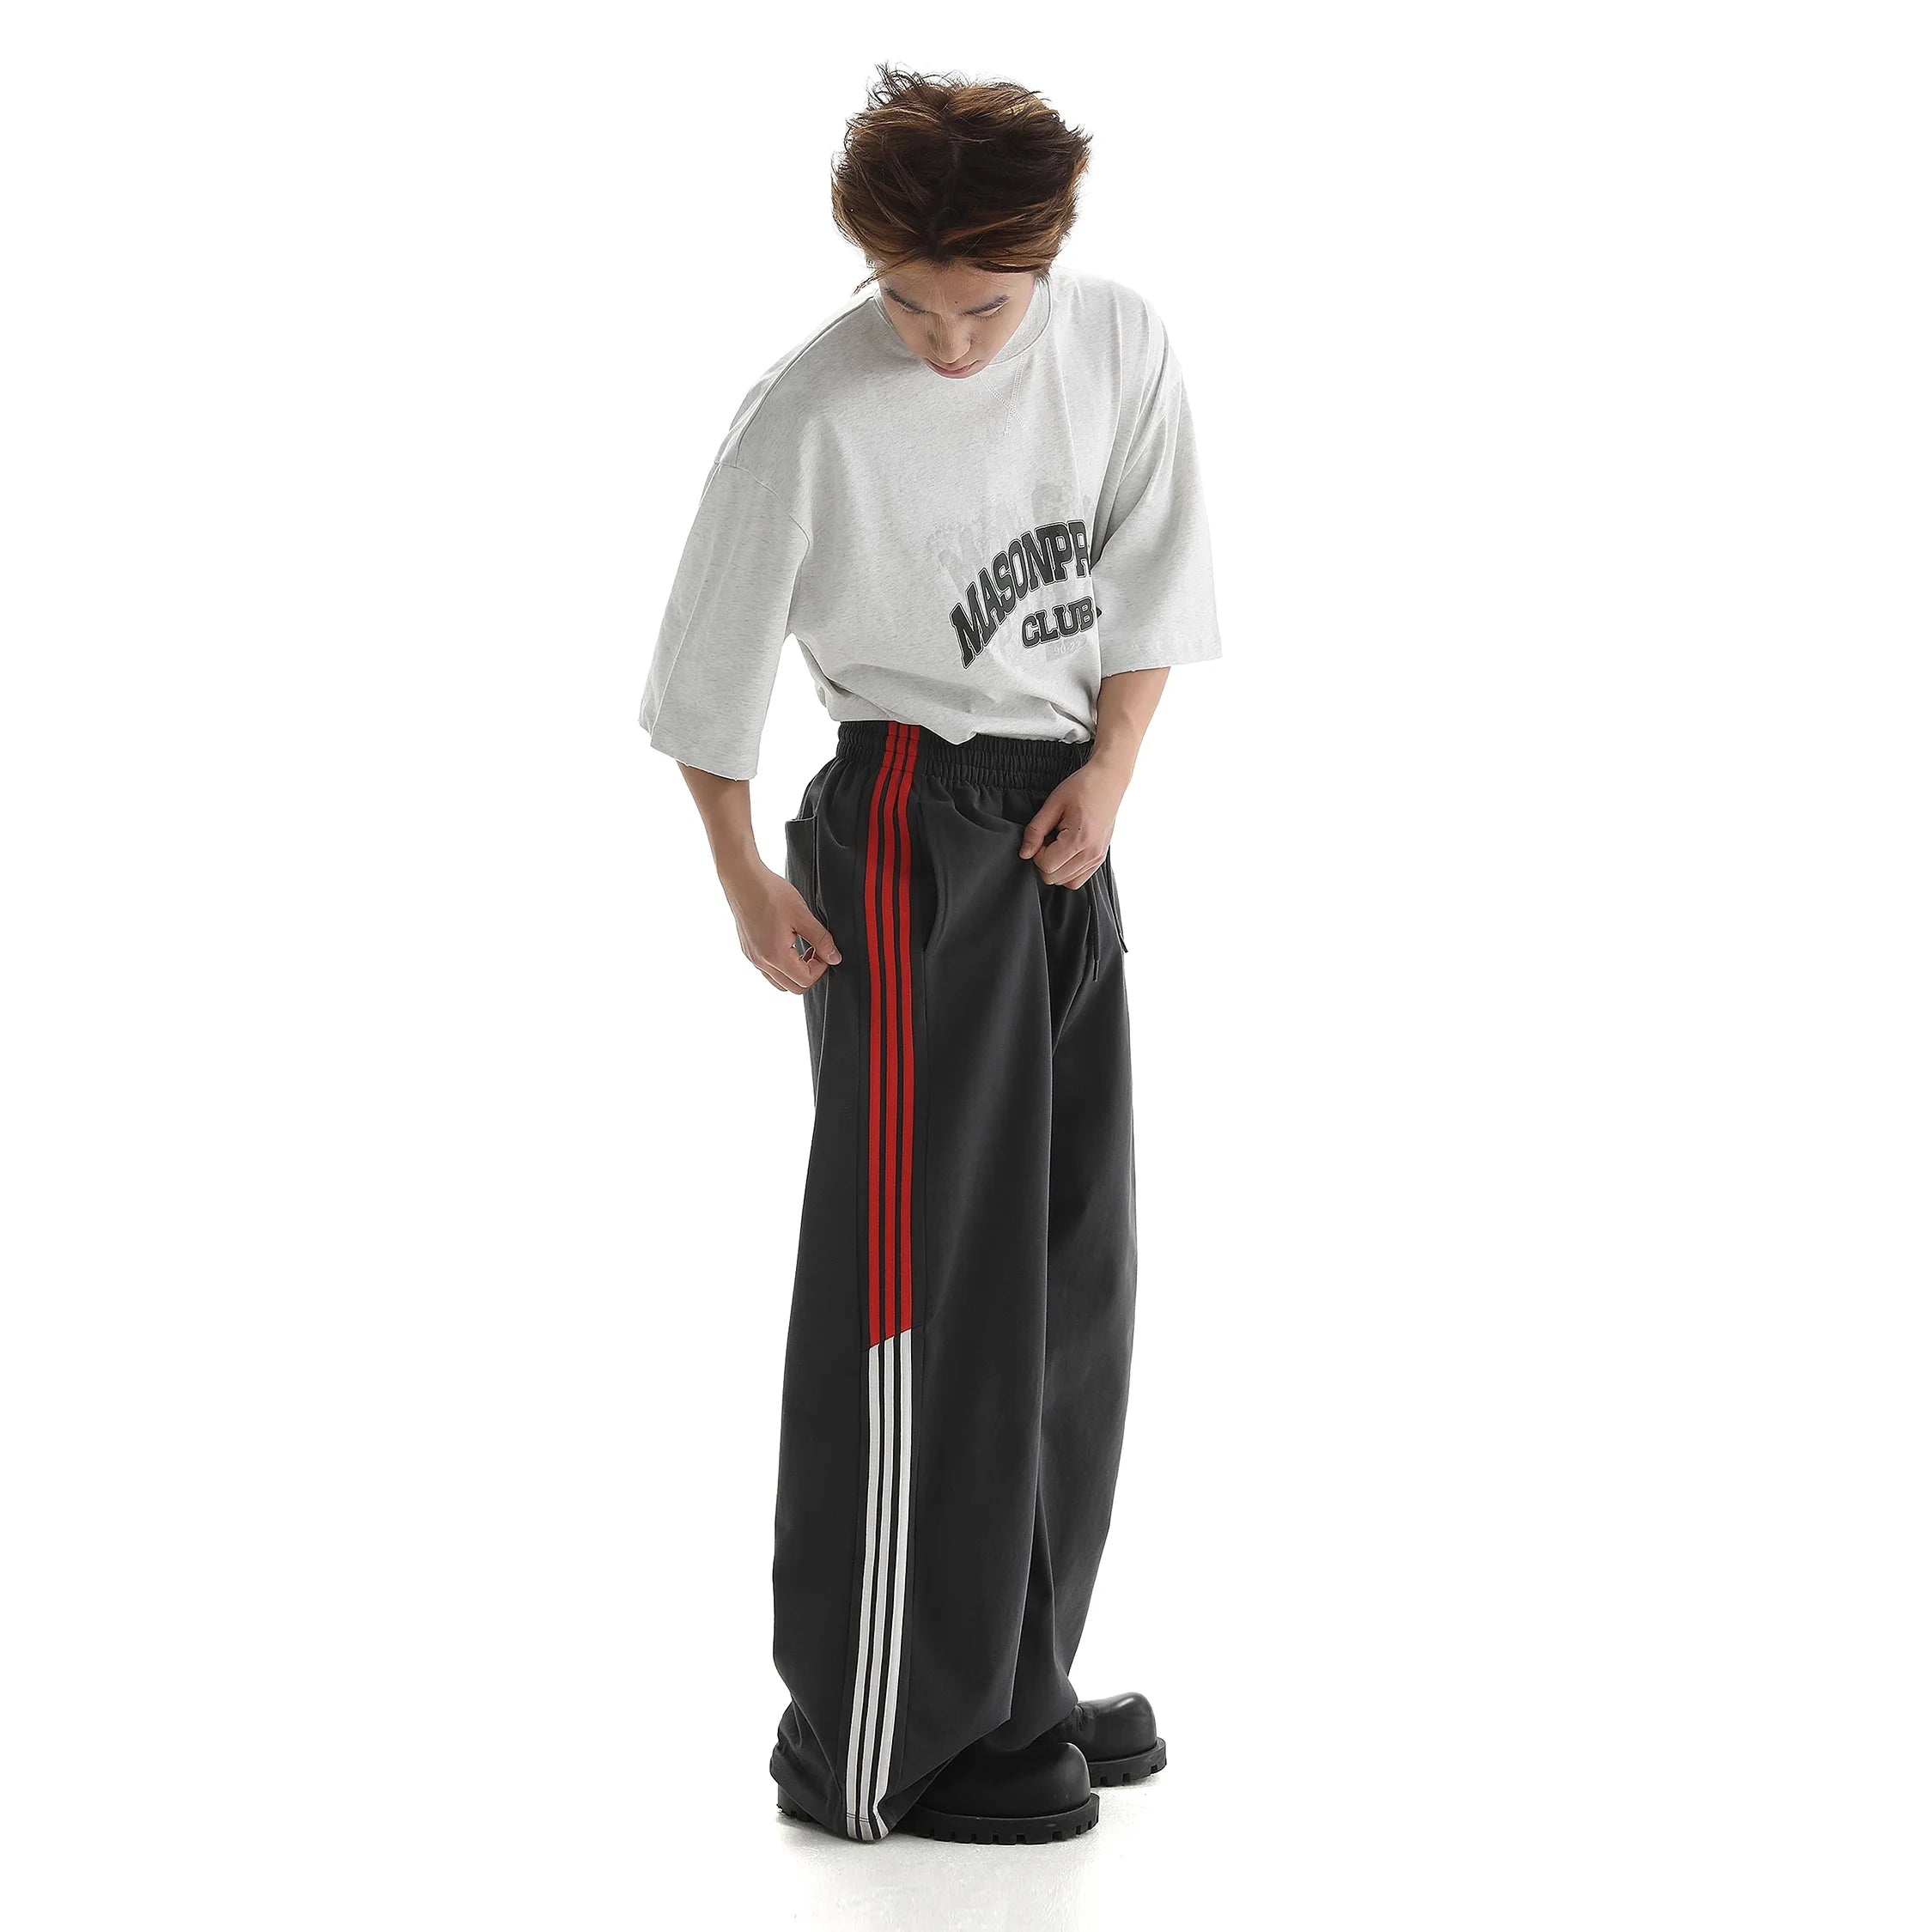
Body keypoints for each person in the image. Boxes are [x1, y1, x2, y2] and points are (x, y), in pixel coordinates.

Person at [638, 66, 1221, 1845]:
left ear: (1047, 256)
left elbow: (1152, 578)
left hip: (1059, 823)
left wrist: (1114, 769)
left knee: (1067, 1270)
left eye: (983, 305)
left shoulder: (1116, 342)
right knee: (914, 1290)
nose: (947, 343)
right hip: (903, 825)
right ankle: (877, 1731)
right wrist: (740, 876)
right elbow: (704, 675)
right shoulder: (810, 412)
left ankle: (1009, 1676)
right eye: (908, 303)